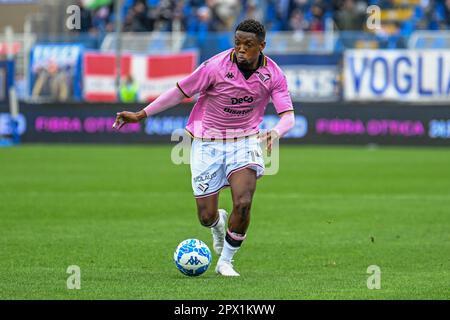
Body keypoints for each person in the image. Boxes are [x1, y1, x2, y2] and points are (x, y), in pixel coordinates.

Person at [112, 19, 295, 277]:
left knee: (243, 203)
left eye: (248, 45)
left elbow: (288, 115)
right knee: (205, 216)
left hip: (244, 141)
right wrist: (141, 114)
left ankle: (226, 262)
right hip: (207, 143)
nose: (241, 49)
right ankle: (217, 224)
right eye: (237, 43)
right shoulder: (214, 67)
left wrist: (276, 132)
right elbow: (179, 92)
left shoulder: (273, 74)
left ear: (262, 46)